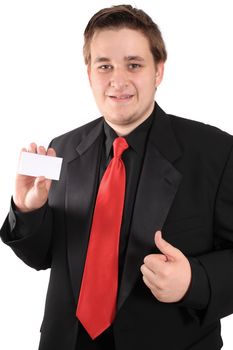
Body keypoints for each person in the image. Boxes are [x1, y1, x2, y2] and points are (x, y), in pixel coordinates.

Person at [1, 4, 233, 350]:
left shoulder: (216, 151)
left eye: (134, 65)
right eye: (104, 65)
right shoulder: (61, 149)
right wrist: (28, 209)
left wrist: (194, 281)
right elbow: (43, 257)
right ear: (89, 73)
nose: (118, 80)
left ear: (158, 72)